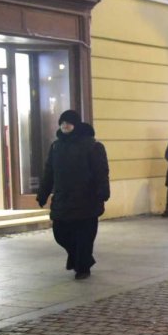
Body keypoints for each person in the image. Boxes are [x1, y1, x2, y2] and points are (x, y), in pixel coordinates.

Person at [36, 110, 110, 279]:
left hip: (87, 199)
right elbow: (49, 172)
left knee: (84, 236)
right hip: (63, 198)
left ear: (76, 125)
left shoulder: (92, 146)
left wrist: (103, 191)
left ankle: (82, 268)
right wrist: (43, 193)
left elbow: (101, 171)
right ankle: (80, 258)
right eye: (62, 123)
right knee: (60, 233)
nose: (65, 125)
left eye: (68, 123)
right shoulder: (56, 147)